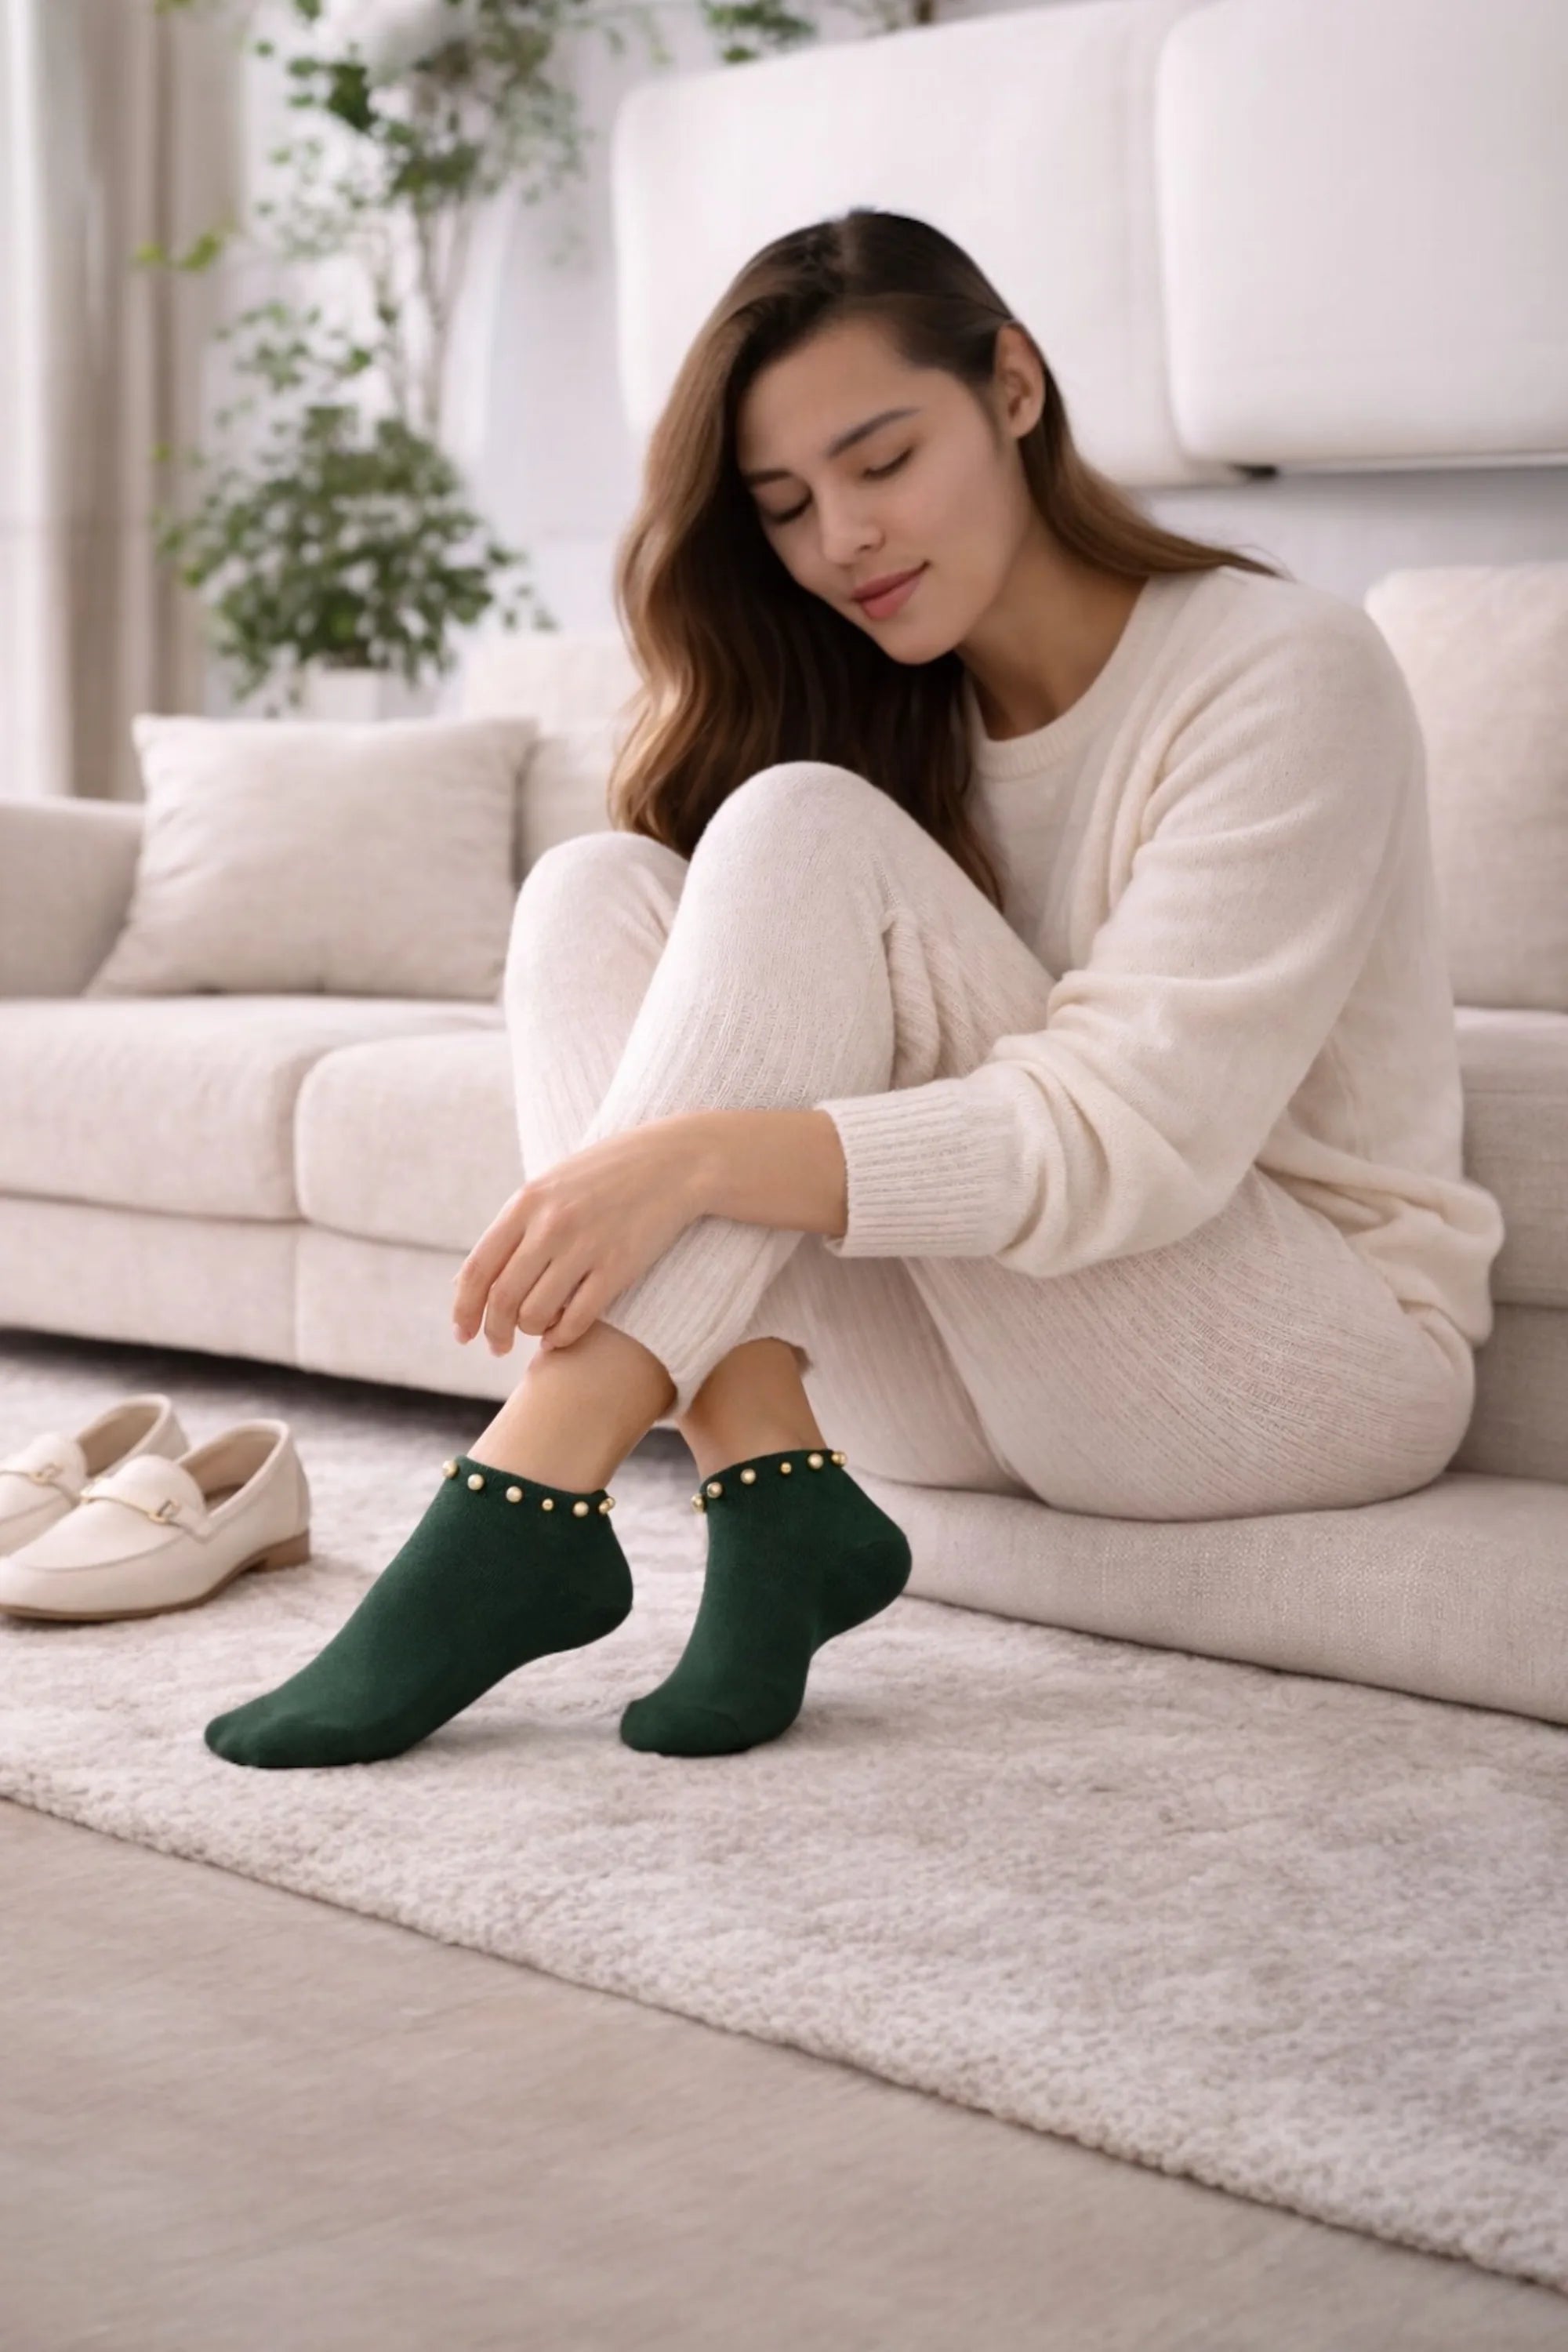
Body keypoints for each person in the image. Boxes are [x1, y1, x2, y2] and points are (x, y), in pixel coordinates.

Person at [203, 207, 1506, 1775]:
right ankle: (774, 1496)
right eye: (786, 506)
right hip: (981, 1376)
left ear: (1012, 388)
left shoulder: (1284, 668)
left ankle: (522, 1500)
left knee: (795, 822)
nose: (843, 541)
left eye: (882, 463)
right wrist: (700, 1148)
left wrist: (684, 1159)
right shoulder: (886, 710)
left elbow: (1129, 1136)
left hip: (1300, 1369)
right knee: (596, 889)